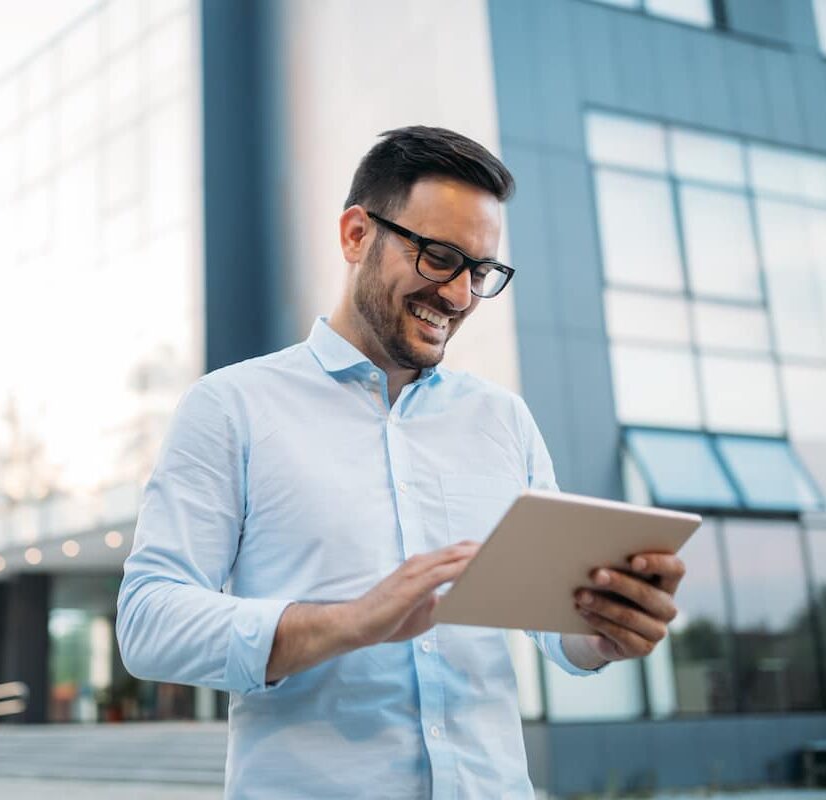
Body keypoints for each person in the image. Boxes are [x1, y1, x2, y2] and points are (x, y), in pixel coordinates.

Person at [116, 126, 685, 799]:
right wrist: (349, 621)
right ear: (357, 235)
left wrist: (608, 634)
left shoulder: (504, 421)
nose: (459, 296)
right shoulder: (230, 408)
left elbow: (555, 626)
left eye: (481, 271)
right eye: (440, 257)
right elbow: (149, 623)